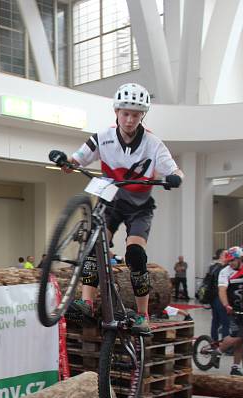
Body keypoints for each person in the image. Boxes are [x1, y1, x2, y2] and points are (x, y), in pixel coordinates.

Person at [57, 82, 184, 334]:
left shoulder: (153, 143)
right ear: (116, 112)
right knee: (95, 245)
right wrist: (65, 161)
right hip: (111, 200)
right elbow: (77, 159)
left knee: (136, 255)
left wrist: (176, 177)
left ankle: (142, 314)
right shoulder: (102, 138)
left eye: (135, 115)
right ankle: (87, 301)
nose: (129, 119)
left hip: (139, 206)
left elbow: (174, 170)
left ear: (142, 116)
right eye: (125, 113)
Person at [217, 246, 243, 375]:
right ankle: (218, 352)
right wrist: (226, 305)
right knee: (237, 336)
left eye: (233, 260)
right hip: (232, 309)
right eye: (229, 261)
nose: (231, 263)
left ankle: (235, 367)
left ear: (240, 258)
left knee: (241, 339)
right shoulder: (225, 272)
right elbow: (222, 290)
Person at [207, 249, 230, 342]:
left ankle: (214, 341)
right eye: (226, 255)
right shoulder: (222, 269)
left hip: (213, 297)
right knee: (225, 321)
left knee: (215, 320)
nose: (228, 257)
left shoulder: (213, 267)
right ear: (221, 256)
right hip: (219, 297)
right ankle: (226, 345)